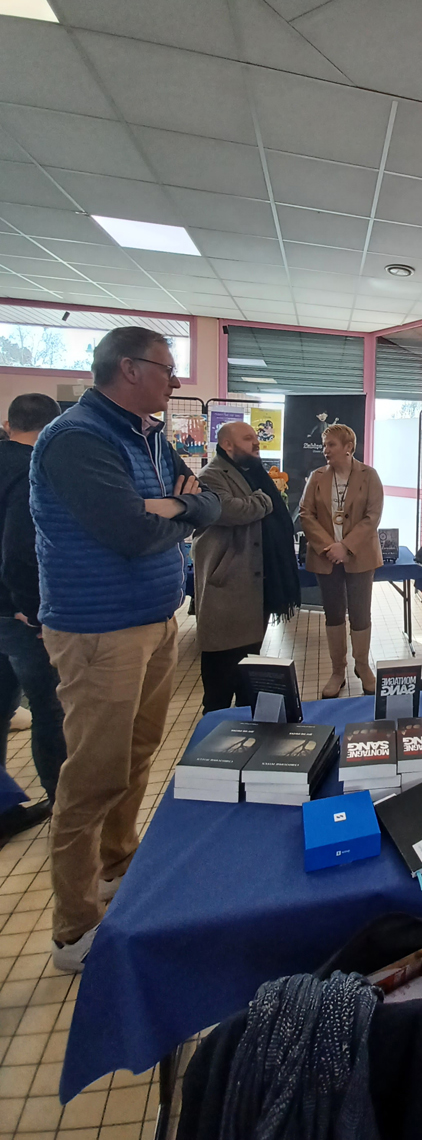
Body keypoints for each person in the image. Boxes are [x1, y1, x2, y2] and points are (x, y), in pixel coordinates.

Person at [30, 327, 220, 971]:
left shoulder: (149, 435)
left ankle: (118, 863)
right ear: (129, 369)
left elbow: (207, 504)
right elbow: (129, 533)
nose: (176, 381)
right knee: (93, 774)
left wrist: (167, 507)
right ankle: (74, 927)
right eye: (167, 369)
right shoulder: (77, 438)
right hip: (99, 630)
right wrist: (173, 510)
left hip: (155, 621)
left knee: (138, 754)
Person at [192, 422, 300, 713]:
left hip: (254, 585)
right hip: (227, 585)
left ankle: (244, 722)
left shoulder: (252, 472)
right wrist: (265, 498)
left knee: (248, 670)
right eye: (248, 438)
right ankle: (214, 727)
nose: (256, 442)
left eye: (255, 437)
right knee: (220, 673)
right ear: (227, 445)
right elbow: (230, 510)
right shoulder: (211, 475)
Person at [0, 393, 66, 845]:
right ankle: (66, 808)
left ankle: (4, 808)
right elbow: (21, 548)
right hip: (19, 614)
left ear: (10, 423)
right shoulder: (33, 470)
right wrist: (33, 608)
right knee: (49, 708)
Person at [299, 424, 383, 696]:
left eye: (331, 444)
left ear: (348, 447)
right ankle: (338, 670)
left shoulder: (369, 476)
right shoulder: (317, 477)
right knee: (334, 614)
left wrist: (346, 546)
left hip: (360, 556)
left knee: (361, 613)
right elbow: (305, 514)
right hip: (326, 558)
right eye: (324, 445)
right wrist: (329, 547)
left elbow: (373, 516)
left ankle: (363, 666)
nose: (326, 450)